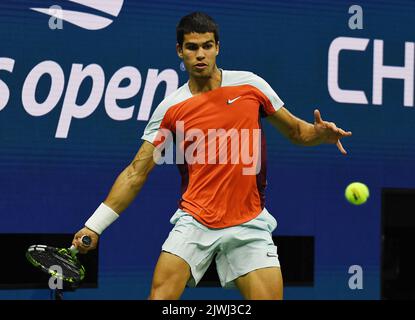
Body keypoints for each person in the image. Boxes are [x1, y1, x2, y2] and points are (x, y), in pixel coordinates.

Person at [72, 12, 352, 300]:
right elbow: (136, 172)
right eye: (192, 47)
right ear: (180, 51)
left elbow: (296, 131)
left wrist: (320, 134)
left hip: (249, 220)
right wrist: (95, 225)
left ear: (218, 47)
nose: (200, 55)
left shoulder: (250, 86)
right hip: (195, 219)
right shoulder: (171, 108)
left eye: (207, 46)